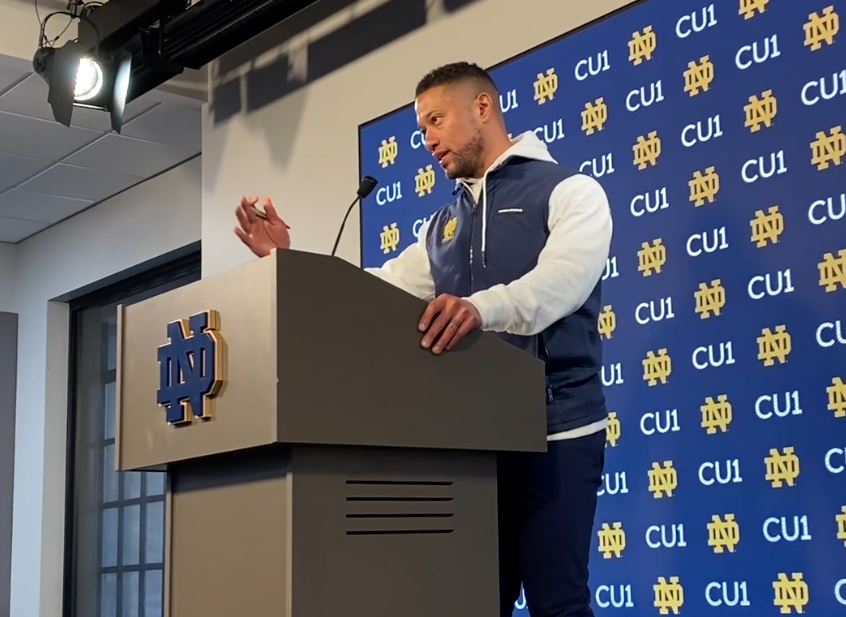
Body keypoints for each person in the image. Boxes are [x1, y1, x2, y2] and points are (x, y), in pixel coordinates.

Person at [234, 61, 612, 617]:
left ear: (483, 108)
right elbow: (379, 291)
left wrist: (479, 309)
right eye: (421, 130)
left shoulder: (571, 191)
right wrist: (291, 264)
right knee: (476, 600)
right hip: (469, 443)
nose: (428, 139)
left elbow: (564, 281)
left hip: (558, 430)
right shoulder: (440, 227)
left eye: (436, 120)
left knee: (559, 601)